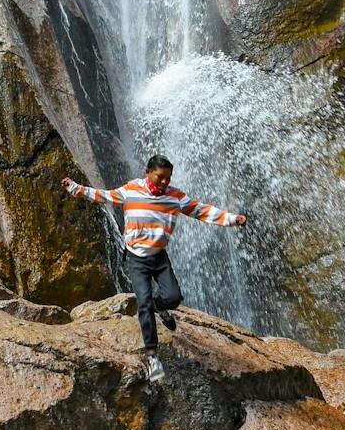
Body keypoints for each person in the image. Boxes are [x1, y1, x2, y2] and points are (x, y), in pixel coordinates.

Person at [62, 154, 247, 384]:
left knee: (174, 296)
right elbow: (104, 196)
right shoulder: (131, 190)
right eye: (160, 177)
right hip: (135, 258)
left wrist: (231, 219)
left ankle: (161, 306)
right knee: (144, 303)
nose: (164, 183)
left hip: (159, 257)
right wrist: (75, 188)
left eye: (167, 179)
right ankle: (152, 357)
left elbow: (201, 210)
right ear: (147, 172)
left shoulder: (175, 197)